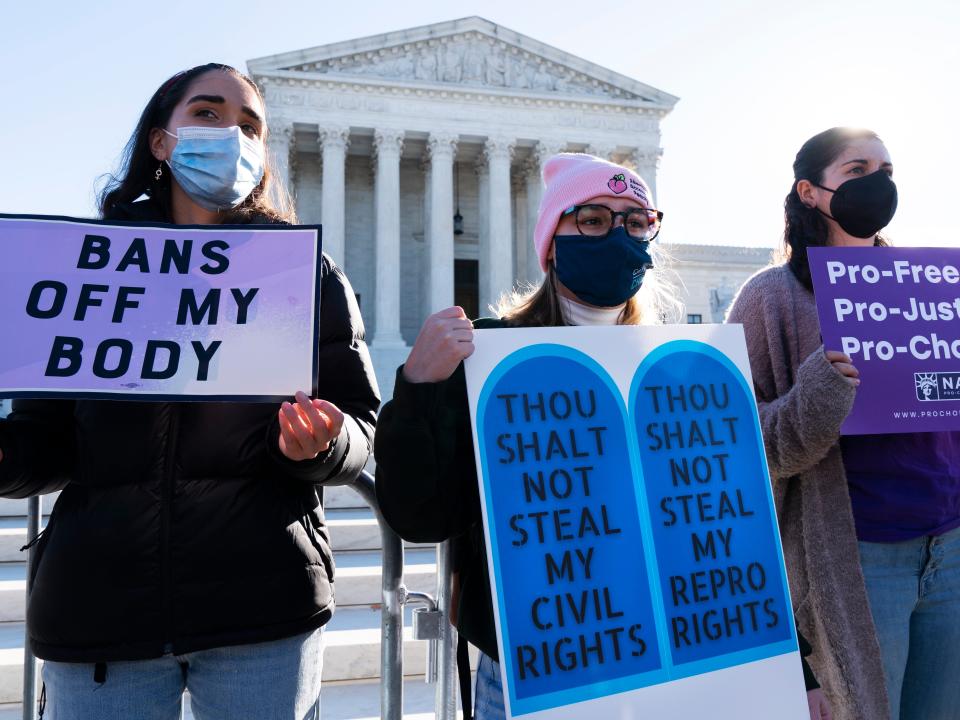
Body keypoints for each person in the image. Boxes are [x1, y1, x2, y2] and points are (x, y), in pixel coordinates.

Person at [375, 152, 824, 718]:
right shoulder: (483, 360)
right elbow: (420, 516)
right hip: (531, 674)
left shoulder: (679, 370)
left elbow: (727, 528)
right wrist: (418, 385)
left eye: (636, 223)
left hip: (673, 668)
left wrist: (797, 667)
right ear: (552, 240)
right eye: (592, 219)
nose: (618, 235)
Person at [0, 63, 380, 719]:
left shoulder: (300, 273)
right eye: (207, 113)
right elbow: (45, 441)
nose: (230, 133)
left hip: (264, 608)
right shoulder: (88, 265)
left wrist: (320, 444)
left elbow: (358, 428)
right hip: (102, 611)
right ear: (160, 141)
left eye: (250, 125)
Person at [727, 127, 960, 720]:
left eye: (886, 169)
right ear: (810, 192)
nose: (878, 183)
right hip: (859, 559)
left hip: (951, 548)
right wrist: (819, 391)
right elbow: (744, 447)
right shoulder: (769, 298)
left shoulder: (929, 284)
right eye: (857, 170)